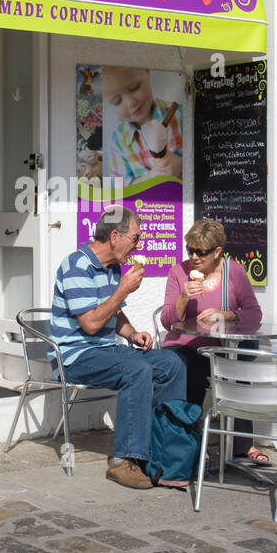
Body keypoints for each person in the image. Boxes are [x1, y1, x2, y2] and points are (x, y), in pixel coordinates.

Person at [50, 205, 189, 489]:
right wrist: (123, 290)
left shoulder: (112, 267)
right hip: (74, 356)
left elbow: (112, 313)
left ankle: (163, 452)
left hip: (105, 351)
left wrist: (132, 333)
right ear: (115, 236)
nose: (139, 244)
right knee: (136, 369)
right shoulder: (76, 266)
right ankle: (123, 461)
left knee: (171, 363)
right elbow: (90, 323)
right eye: (136, 238)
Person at [160, 219, 270, 464]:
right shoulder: (179, 272)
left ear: (218, 251)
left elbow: (254, 312)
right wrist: (183, 298)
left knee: (239, 368)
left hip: (223, 345)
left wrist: (229, 314)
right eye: (190, 250)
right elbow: (167, 321)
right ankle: (191, 442)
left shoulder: (235, 271)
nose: (195, 257)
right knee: (193, 370)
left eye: (202, 252)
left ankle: (240, 444)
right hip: (187, 344)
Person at [102, 66, 182, 184]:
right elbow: (121, 187)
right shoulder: (118, 141)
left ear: (147, 72)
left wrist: (181, 164)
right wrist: (151, 176)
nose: (131, 102)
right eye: (117, 101)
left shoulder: (180, 115)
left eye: (134, 88)